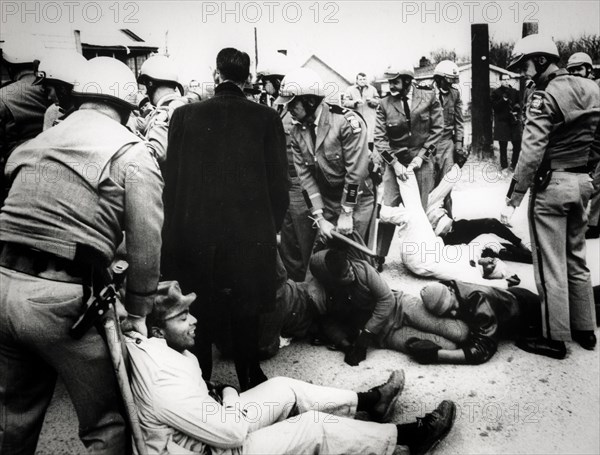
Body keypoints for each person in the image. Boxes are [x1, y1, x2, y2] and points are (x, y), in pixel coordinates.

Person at [0, 56, 163, 454]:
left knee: (11, 418)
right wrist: (139, 312)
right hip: (62, 302)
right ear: (126, 107)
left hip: (3, 286)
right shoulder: (133, 154)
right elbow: (146, 245)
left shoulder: (36, 142)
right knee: (107, 423)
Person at [125, 280, 457, 455]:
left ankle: (371, 402)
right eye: (183, 318)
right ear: (155, 330)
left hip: (208, 431)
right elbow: (232, 433)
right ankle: (407, 439)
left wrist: (221, 399)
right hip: (219, 446)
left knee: (283, 387)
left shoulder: (162, 350)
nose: (194, 320)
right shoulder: (163, 375)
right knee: (314, 428)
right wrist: (227, 393)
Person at [161, 48, 289, 390]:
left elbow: (170, 183)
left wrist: (172, 234)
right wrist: (269, 229)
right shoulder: (266, 118)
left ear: (215, 75)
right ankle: (250, 376)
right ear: (248, 79)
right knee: (247, 308)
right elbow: (280, 184)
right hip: (250, 236)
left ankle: (200, 379)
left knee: (198, 306)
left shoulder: (184, 115)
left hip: (194, 234)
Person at [501, 34, 600, 354]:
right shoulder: (592, 88)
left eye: (525, 65)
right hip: (582, 181)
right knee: (576, 258)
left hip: (552, 186)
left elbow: (531, 151)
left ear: (542, 60)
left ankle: (554, 337)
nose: (523, 72)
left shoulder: (543, 96)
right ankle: (585, 328)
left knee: (549, 264)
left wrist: (515, 194)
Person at [308, 248, 471, 365]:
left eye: (350, 267)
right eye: (344, 275)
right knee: (449, 346)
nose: (351, 272)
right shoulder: (325, 296)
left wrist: (366, 333)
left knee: (460, 333)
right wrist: (346, 346)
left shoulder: (363, 269)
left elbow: (386, 299)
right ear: (331, 279)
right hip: (386, 334)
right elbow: (328, 323)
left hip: (400, 306)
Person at [276, 67, 375, 242]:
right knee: (324, 260)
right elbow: (305, 179)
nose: (288, 109)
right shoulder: (297, 132)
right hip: (327, 201)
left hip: (357, 199)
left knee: (355, 260)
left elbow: (356, 174)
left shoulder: (347, 123)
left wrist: (346, 212)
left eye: (292, 103)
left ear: (310, 101)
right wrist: (320, 218)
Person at [374, 60, 443, 270]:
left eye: (395, 81)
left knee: (418, 212)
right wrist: (394, 164)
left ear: (407, 80)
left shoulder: (429, 96)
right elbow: (379, 138)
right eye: (389, 82)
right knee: (389, 209)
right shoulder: (384, 104)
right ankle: (378, 255)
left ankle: (419, 254)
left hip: (421, 162)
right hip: (393, 163)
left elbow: (437, 129)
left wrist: (421, 157)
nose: (391, 86)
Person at [403, 281, 566, 365]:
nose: (453, 313)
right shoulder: (447, 286)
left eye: (453, 307)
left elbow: (482, 350)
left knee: (572, 312)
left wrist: (437, 355)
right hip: (513, 296)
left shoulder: (478, 301)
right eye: (447, 313)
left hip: (530, 312)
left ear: (451, 292)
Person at [258, 57, 315, 281]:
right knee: (288, 241)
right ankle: (296, 288)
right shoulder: (278, 108)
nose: (263, 86)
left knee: (305, 239)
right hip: (284, 183)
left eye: (266, 81)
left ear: (277, 80)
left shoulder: (300, 111)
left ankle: (311, 289)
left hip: (301, 183)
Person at [0, 38, 51, 205]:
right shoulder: (55, 90)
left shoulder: (4, 97)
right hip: (52, 176)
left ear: (10, 66)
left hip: (13, 181)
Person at [136, 55, 188, 165]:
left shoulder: (164, 112)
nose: (145, 92)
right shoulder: (180, 106)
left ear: (150, 84)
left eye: (146, 85)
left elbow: (157, 154)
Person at [432, 60, 465, 217]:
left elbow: (459, 122)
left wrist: (458, 146)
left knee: (447, 187)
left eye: (452, 81)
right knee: (429, 188)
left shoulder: (455, 94)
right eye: (447, 80)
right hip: (428, 145)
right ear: (438, 78)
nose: (450, 84)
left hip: (447, 144)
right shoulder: (426, 93)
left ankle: (449, 223)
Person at [33, 49, 88, 130]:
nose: (48, 97)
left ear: (63, 88)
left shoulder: (91, 113)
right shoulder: (53, 112)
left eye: (49, 90)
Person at [491, 74, 522, 172]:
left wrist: (517, 106)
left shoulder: (515, 92)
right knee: (503, 146)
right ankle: (504, 165)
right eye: (504, 79)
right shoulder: (495, 93)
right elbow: (495, 107)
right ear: (500, 81)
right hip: (502, 122)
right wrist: (503, 100)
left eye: (508, 79)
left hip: (513, 121)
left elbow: (520, 102)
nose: (506, 81)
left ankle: (514, 164)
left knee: (517, 143)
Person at [343, 72, 381, 151]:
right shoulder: (350, 89)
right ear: (356, 80)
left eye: (364, 79)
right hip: (356, 118)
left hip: (370, 118)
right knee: (358, 138)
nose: (362, 81)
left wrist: (371, 101)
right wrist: (355, 102)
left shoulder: (372, 89)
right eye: (360, 79)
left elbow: (378, 101)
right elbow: (345, 102)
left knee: (370, 138)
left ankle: (371, 159)